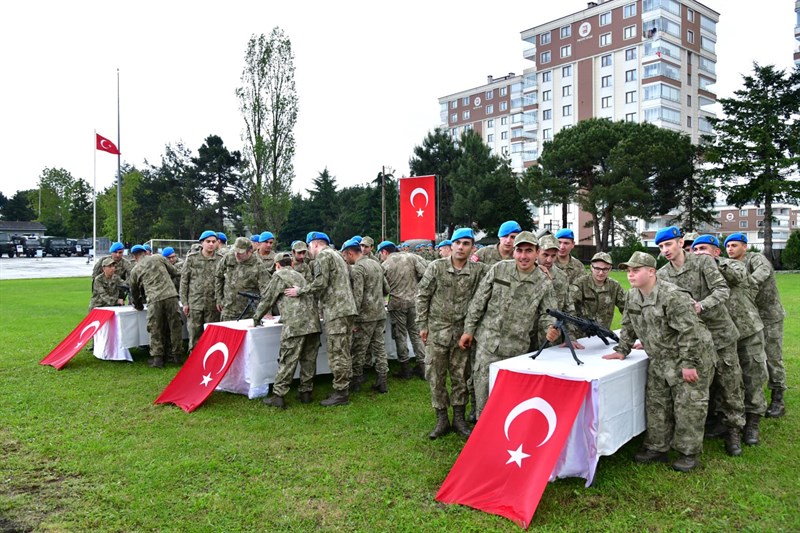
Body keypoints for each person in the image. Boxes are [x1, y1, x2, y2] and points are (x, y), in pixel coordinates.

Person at [603, 251, 716, 472]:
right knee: (657, 404)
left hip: (687, 356)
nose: (630, 275)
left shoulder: (673, 295)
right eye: (628, 270)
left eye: (636, 270)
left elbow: (690, 331)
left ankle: (688, 452)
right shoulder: (633, 295)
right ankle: (657, 447)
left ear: (651, 272)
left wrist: (689, 364)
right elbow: (628, 324)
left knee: (688, 405)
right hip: (659, 358)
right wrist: (622, 349)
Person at [655, 226, 745, 456]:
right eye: (661, 247)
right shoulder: (663, 274)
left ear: (680, 242)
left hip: (719, 332)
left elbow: (722, 290)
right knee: (700, 383)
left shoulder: (703, 262)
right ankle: (705, 424)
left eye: (668, 244)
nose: (665, 250)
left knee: (730, 382)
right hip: (693, 338)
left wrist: (701, 305)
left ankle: (734, 429)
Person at [459, 231, 561, 419]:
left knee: (510, 397)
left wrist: (550, 330)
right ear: (514, 252)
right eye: (519, 250)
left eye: (529, 251)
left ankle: (503, 434)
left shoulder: (543, 282)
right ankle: (482, 431)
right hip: (487, 344)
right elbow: (479, 301)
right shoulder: (499, 269)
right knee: (482, 389)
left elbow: (548, 314)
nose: (523, 256)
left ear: (537, 252)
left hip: (516, 349)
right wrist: (469, 330)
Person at [692, 235, 768, 445]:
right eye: (695, 249)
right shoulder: (696, 272)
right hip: (721, 334)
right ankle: (724, 420)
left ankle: (753, 421)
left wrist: (713, 263)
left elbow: (740, 277)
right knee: (726, 380)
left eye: (703, 249)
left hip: (746, 331)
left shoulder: (732, 265)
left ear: (717, 252)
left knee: (752, 376)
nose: (698, 253)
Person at [417, 228, 488, 439]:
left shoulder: (479, 271)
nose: (461, 247)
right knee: (435, 376)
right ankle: (442, 419)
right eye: (458, 243)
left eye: (466, 243)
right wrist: (422, 324)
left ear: (472, 248)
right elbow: (422, 296)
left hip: (462, 334)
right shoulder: (436, 267)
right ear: (451, 245)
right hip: (437, 332)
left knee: (460, 377)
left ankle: (459, 418)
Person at [284, 231, 357, 407]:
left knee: (337, 352)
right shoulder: (338, 255)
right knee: (344, 350)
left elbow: (320, 283)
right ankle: (344, 386)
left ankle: (341, 392)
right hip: (345, 308)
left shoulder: (323, 256)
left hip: (336, 310)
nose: (309, 251)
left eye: (309, 247)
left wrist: (299, 291)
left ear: (315, 244)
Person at [725, 232, 787, 418]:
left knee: (772, 355)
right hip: (748, 318)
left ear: (744, 246)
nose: (730, 249)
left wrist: (747, 283)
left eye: (734, 245)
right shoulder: (729, 265)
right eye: (728, 246)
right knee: (750, 357)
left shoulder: (756, 258)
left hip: (769, 316)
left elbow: (763, 272)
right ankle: (748, 393)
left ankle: (778, 397)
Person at [256, 253, 322, 408]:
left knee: (288, 360)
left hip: (295, 325)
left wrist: (256, 318)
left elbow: (267, 299)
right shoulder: (300, 276)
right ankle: (306, 392)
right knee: (308, 360)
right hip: (312, 323)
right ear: (291, 263)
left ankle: (278, 395)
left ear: (277, 265)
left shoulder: (279, 276)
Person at [341, 238, 390, 393]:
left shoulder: (358, 268)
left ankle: (356, 381)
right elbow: (386, 289)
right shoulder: (376, 264)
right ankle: (383, 381)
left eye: (345, 256)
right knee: (379, 348)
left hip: (365, 316)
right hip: (380, 313)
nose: (345, 259)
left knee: (359, 349)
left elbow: (357, 296)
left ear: (350, 253)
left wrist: (353, 319)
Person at [378, 240, 428, 379]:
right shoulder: (411, 257)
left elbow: (383, 287)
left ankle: (405, 368)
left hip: (397, 303)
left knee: (400, 335)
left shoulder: (385, 265)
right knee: (416, 333)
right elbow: (425, 274)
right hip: (414, 301)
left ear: (384, 252)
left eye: (380, 254)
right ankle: (422, 366)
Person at [129, 245, 183, 368]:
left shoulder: (135, 270)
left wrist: (138, 306)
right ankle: (177, 356)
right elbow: (174, 272)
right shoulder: (158, 257)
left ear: (134, 256)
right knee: (175, 326)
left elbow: (134, 291)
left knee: (155, 329)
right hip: (171, 295)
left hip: (154, 299)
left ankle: (158, 359)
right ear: (145, 252)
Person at [538, 234, 583, 350]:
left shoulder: (561, 277)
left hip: (551, 338)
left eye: (553, 256)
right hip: (524, 338)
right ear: (537, 251)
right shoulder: (526, 271)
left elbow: (569, 309)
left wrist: (571, 337)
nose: (549, 260)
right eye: (545, 255)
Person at [180, 230, 222, 352]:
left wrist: (220, 300)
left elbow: (223, 281)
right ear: (202, 243)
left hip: (213, 304)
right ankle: (193, 360)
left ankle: (211, 361)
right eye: (208, 241)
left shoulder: (220, 259)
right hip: (195, 303)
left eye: (213, 242)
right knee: (194, 334)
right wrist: (185, 302)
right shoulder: (192, 259)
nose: (211, 244)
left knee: (212, 335)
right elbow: (184, 281)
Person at [215, 237, 271, 321]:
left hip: (248, 313)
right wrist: (219, 299)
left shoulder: (258, 265)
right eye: (236, 251)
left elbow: (266, 291)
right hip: (228, 310)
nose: (237, 254)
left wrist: (267, 312)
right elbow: (218, 277)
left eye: (241, 253)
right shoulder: (229, 258)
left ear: (250, 251)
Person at [571, 252, 625, 329]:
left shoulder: (614, 286)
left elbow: (626, 309)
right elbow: (570, 310)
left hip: (603, 333)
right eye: (597, 268)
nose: (601, 273)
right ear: (591, 268)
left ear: (610, 269)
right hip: (581, 335)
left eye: (605, 269)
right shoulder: (580, 284)